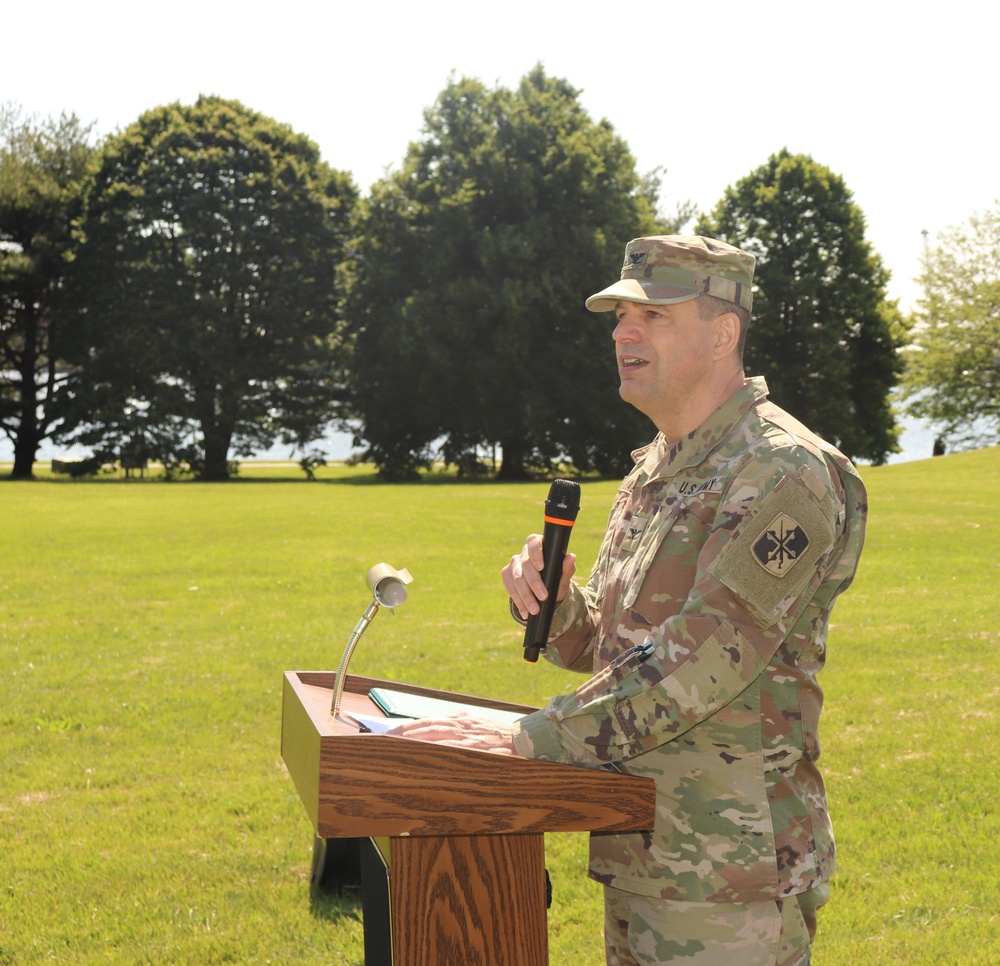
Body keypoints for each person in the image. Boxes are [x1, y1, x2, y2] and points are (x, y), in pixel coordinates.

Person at [391, 235, 867, 965]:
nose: (622, 331)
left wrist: (525, 743)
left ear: (724, 332)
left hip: (729, 877)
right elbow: (619, 648)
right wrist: (558, 608)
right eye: (618, 315)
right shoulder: (655, 470)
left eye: (653, 315)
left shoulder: (782, 473)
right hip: (645, 851)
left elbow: (701, 664)